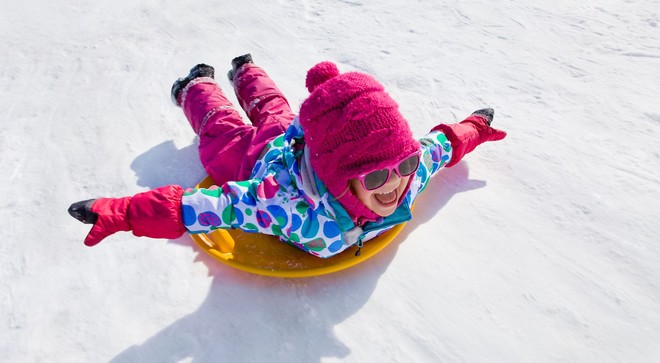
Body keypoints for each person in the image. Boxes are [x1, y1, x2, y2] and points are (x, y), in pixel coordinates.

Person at [68, 54, 506, 258]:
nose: (395, 184)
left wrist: (475, 128)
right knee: (221, 129)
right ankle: (195, 86)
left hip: (297, 135)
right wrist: (126, 212)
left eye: (404, 165)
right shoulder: (287, 207)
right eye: (374, 178)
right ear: (340, 178)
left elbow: (438, 146)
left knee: (276, 110)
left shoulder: (408, 173)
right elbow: (208, 206)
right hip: (252, 160)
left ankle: (247, 72)